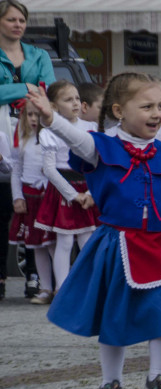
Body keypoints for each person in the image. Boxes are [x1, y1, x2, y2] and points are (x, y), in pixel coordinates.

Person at [26, 74, 161, 389]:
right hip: (118, 244)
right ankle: (111, 381)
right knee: (116, 314)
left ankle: (159, 375)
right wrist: (51, 118)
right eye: (146, 106)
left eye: (160, 106)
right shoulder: (102, 146)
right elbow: (74, 138)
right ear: (119, 110)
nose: (156, 113)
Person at [0, 0, 56, 300]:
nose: (18, 25)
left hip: (33, 133)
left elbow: (50, 90)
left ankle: (36, 277)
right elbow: (37, 89)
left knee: (37, 210)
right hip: (1, 132)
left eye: (22, 20)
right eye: (11, 20)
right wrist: (25, 88)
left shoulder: (38, 55)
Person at [33, 81, 97, 292]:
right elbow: (50, 169)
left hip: (87, 188)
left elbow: (98, 164)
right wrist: (72, 195)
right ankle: (63, 288)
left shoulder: (91, 128)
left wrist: (89, 192)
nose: (75, 103)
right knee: (65, 241)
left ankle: (89, 287)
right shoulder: (48, 133)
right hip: (63, 189)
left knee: (87, 240)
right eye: (68, 100)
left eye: (77, 98)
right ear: (53, 106)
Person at [9, 102, 54, 303]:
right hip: (30, 199)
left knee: (54, 244)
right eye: (30, 115)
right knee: (36, 245)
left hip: (49, 197)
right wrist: (17, 196)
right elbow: (16, 171)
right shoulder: (22, 141)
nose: (34, 119)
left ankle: (61, 286)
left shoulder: (53, 139)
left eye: (37, 115)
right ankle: (45, 288)